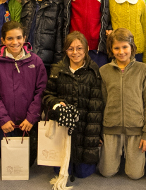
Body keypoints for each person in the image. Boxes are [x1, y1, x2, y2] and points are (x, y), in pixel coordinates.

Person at [43, 31, 103, 178]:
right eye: (70, 48)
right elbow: (47, 95)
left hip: (84, 130)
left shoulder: (94, 71)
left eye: (79, 48)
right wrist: (56, 104)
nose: (75, 52)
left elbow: (96, 109)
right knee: (62, 172)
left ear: (87, 49)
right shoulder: (57, 69)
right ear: (65, 50)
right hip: (62, 128)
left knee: (83, 173)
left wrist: (95, 137)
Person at [0, 21, 47, 165]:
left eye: (19, 38)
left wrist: (32, 117)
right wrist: (3, 119)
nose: (15, 42)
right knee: (9, 162)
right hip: (7, 123)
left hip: (29, 122)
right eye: (10, 38)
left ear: (25, 38)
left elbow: (41, 91)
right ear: (3, 40)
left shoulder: (36, 62)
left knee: (28, 164)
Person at [98, 28, 146, 180]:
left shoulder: (143, 70)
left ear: (132, 48)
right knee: (106, 172)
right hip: (110, 127)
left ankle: (131, 157)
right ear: (111, 49)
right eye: (116, 48)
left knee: (135, 175)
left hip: (136, 127)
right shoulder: (104, 71)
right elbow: (101, 102)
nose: (121, 51)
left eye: (125, 47)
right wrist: (99, 131)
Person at [20, 0, 63, 74]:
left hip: (46, 59)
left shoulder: (57, 5)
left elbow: (59, 35)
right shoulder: (25, 4)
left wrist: (57, 61)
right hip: (25, 56)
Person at [110, 0, 146, 64]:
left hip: (137, 51)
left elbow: (144, 29)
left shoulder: (140, 4)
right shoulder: (110, 2)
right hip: (118, 51)